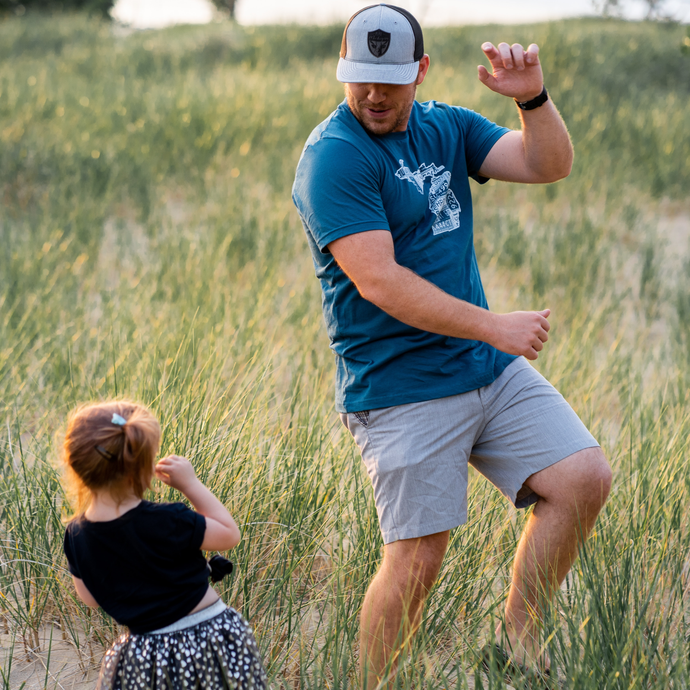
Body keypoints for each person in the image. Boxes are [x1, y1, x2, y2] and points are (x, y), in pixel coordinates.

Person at [292, 3, 612, 687]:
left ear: (421, 72)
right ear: (341, 71)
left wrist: (533, 99)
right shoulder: (333, 157)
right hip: (400, 385)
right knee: (417, 559)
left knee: (582, 478)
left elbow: (546, 164)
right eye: (360, 79)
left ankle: (518, 640)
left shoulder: (447, 127)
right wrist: (495, 326)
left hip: (484, 369)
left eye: (390, 79)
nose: (374, 95)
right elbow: (379, 281)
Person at [61, 400, 267, 690]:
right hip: (209, 637)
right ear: (144, 469)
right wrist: (190, 484)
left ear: (75, 465)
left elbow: (90, 598)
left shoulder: (76, 535)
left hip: (143, 655)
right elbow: (229, 534)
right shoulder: (168, 518)